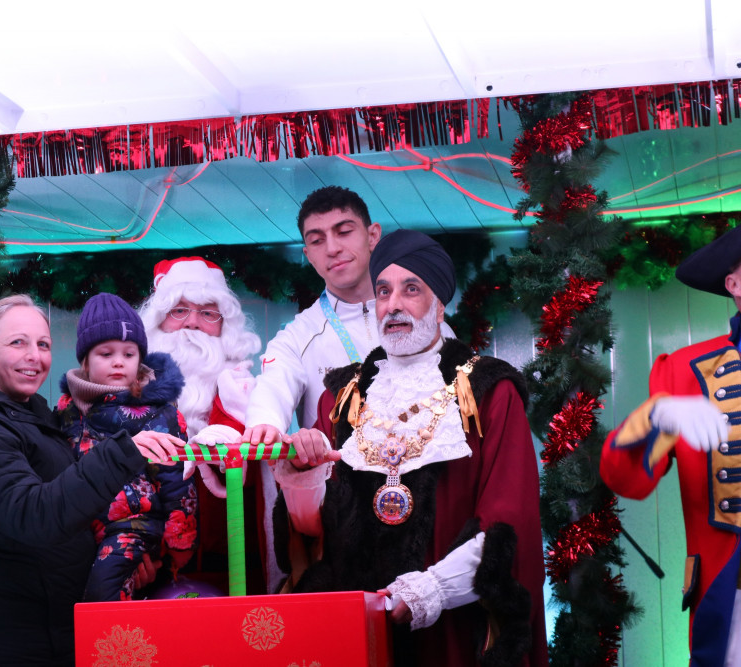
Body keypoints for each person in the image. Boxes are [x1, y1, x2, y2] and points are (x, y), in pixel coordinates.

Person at [270, 229, 549, 667]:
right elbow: (315, 534)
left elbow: (508, 520)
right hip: (355, 631)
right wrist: (304, 480)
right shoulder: (342, 396)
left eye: (411, 289)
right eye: (383, 291)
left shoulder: (488, 391)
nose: (393, 305)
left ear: (439, 305)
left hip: (453, 630)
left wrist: (433, 589)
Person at [0, 294, 181, 666]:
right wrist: (122, 453)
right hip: (13, 646)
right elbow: (32, 515)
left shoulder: (31, 418)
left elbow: (73, 504)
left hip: (53, 634)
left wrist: (120, 556)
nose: (34, 356)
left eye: (42, 344)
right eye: (18, 342)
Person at [600, 227, 741, 667]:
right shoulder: (687, 373)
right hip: (733, 602)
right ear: (733, 283)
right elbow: (624, 480)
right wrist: (657, 418)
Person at [56, 292, 197, 601]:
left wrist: (179, 542)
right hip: (81, 526)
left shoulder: (159, 413)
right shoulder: (66, 412)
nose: (118, 361)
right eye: (106, 354)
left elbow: (177, 478)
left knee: (104, 594)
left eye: (129, 354)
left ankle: (114, 646)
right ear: (85, 360)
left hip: (132, 526)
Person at [139, 256, 268, 592]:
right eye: (179, 311)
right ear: (158, 323)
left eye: (208, 313)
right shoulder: (129, 395)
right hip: (148, 565)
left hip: (233, 563)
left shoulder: (247, 392)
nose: (193, 324)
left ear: (226, 327)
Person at [243, 186, 382, 447]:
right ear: (308, 255)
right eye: (317, 240)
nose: (332, 248)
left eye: (344, 232)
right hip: (337, 483)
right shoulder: (297, 337)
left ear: (372, 236)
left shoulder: (417, 320)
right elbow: (274, 386)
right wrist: (265, 421)